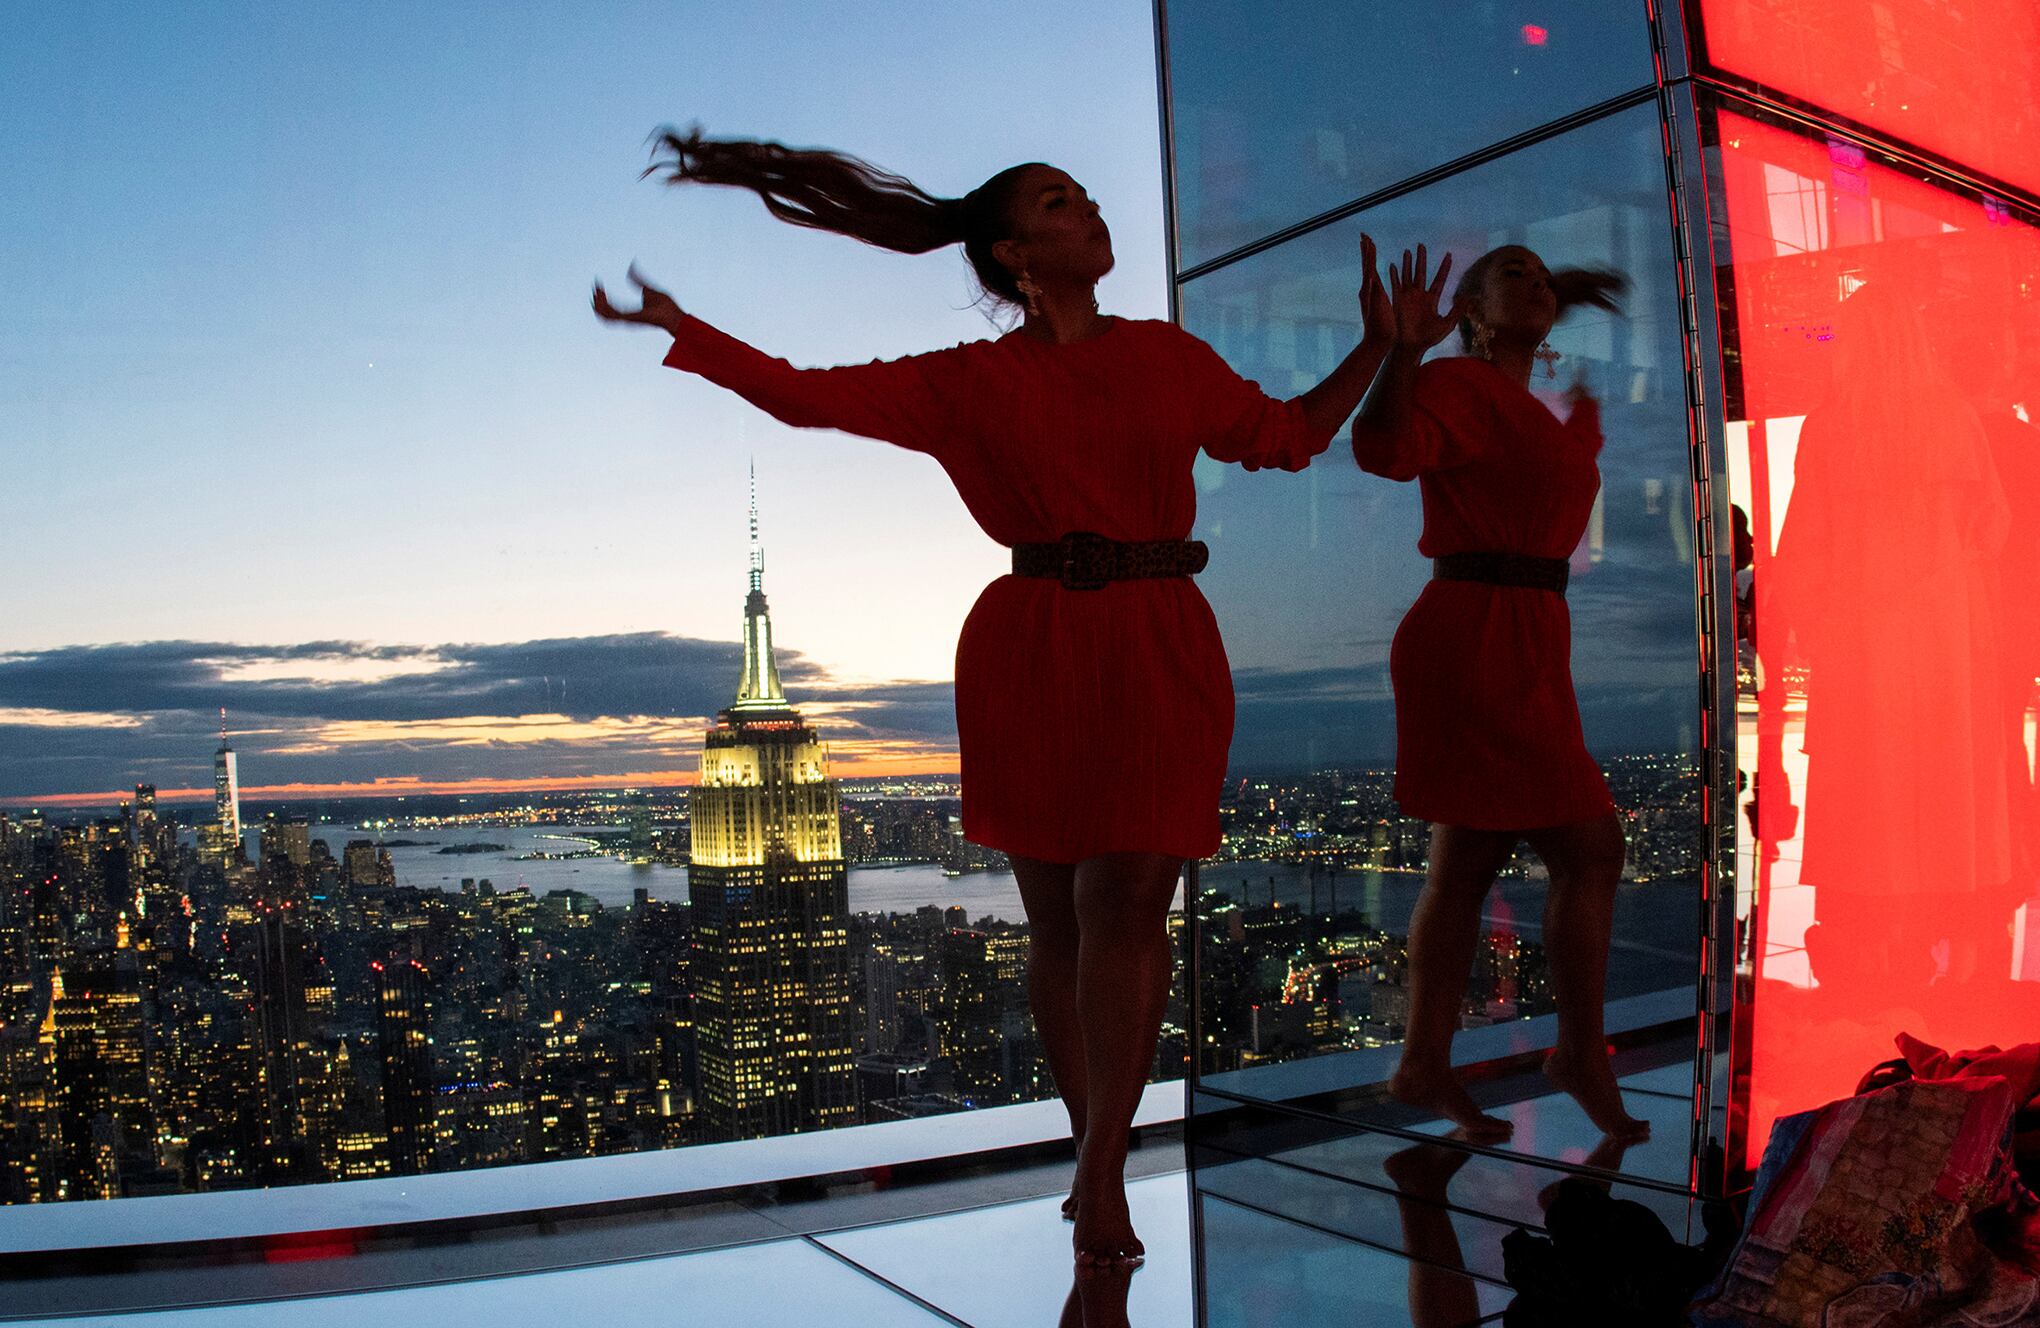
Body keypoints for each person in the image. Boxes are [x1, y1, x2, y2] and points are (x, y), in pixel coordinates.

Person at [595, 129, 1404, 1263]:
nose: (1091, 210)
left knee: (1128, 901)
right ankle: (1096, 1148)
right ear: (1017, 252)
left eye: (1084, 196)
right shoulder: (969, 382)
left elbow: (1291, 436)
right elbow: (800, 398)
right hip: (1032, 646)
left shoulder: (1168, 357)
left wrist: (1375, 343)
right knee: (1058, 920)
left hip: (1161, 635)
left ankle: (1103, 1165)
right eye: (1061, 202)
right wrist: (685, 330)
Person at [1350, 244, 1647, 1140]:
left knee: (1467, 863)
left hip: (1519, 634)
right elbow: (1381, 450)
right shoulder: (1452, 384)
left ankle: (1423, 1065)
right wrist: (1403, 353)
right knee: (1590, 847)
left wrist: (1583, 432)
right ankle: (1578, 1053)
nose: (1536, 283)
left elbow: (1542, 488)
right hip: (1477, 633)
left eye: (1542, 277)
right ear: (1472, 311)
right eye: (1510, 273)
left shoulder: (1523, 409)